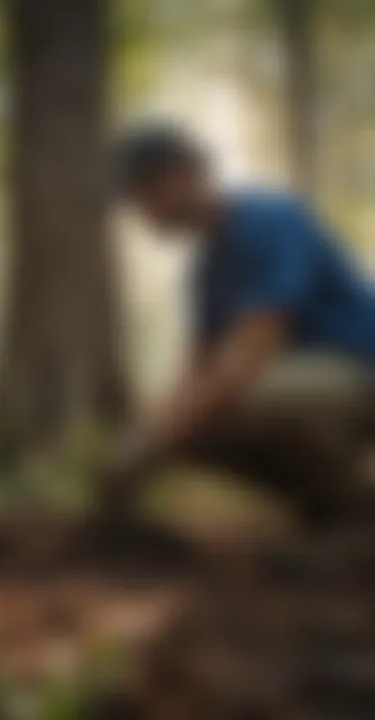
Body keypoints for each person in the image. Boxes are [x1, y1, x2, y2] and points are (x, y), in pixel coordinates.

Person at [102, 124, 375, 531]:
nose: (144, 214)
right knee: (193, 429)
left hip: (360, 371)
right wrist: (141, 439)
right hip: (311, 385)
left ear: (182, 171)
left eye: (145, 195)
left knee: (250, 397)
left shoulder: (268, 220)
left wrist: (150, 444)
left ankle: (360, 523)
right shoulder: (207, 270)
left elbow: (250, 352)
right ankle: (334, 510)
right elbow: (195, 372)